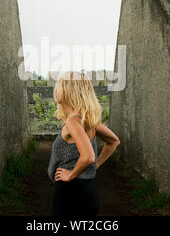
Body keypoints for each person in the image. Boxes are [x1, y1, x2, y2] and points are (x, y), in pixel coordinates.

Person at [47, 71, 120, 216]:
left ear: (70, 91)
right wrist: (96, 165)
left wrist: (70, 175)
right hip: (88, 191)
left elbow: (88, 157)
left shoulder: (73, 121)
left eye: (59, 86)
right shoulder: (88, 121)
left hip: (70, 192)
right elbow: (114, 141)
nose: (55, 90)